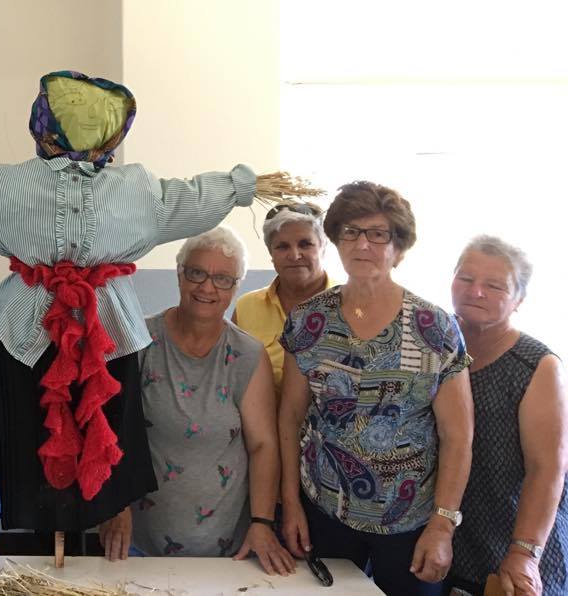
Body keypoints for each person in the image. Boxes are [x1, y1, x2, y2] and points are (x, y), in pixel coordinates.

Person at [0, 70, 313, 558]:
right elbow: (189, 198)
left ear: (42, 124)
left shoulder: (9, 186)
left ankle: (72, 530)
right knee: (73, 447)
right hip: (89, 337)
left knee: (56, 451)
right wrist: (242, 185)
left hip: (38, 339)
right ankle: (63, 532)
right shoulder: (135, 189)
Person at [278, 181, 474, 596]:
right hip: (324, 511)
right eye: (351, 231)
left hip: (410, 523)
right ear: (336, 240)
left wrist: (442, 525)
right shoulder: (308, 321)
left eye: (378, 234)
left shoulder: (434, 328)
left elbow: (457, 436)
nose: (362, 243)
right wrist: (291, 503)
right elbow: (290, 417)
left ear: (398, 248)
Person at [133, 227, 294, 574]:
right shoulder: (139, 340)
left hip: (228, 546)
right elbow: (112, 434)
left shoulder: (248, 354)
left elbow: (263, 445)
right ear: (179, 274)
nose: (207, 288)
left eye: (222, 279)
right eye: (197, 273)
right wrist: (113, 510)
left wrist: (262, 522)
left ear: (236, 287)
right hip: (139, 539)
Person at [447, 236, 568, 596]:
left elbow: (548, 468)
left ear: (519, 300)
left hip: (513, 539)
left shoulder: (536, 365)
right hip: (446, 535)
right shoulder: (434, 345)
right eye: (466, 278)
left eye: (495, 286)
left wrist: (524, 552)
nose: (476, 292)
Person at [233, 202, 331, 396]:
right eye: (282, 246)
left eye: (305, 244)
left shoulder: (350, 304)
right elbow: (233, 378)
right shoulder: (247, 307)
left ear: (323, 247)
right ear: (271, 254)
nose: (294, 255)